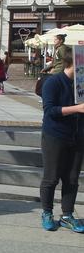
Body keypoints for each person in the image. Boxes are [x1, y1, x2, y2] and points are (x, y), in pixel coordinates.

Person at [39, 48, 84, 233]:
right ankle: (47, 212)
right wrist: (78, 109)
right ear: (72, 63)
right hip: (55, 135)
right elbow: (50, 111)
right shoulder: (53, 82)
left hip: (78, 136)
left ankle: (67, 215)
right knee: (51, 177)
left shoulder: (81, 83)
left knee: (72, 178)